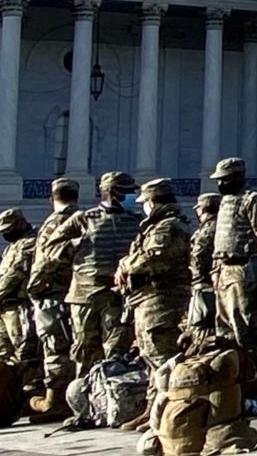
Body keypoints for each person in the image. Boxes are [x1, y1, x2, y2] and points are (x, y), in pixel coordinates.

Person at [205, 158, 257, 394]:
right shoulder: (226, 201)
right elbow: (219, 241)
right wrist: (215, 272)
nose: (221, 183)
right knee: (225, 331)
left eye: (225, 178)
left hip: (245, 270)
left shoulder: (251, 199)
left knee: (248, 330)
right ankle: (234, 383)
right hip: (225, 271)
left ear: (237, 176)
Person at [116, 177, 192, 379]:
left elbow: (153, 258)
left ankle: (171, 402)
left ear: (152, 202)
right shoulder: (155, 226)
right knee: (148, 353)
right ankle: (155, 401)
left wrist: (125, 265)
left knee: (160, 352)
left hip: (161, 297)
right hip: (148, 297)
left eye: (145, 203)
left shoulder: (168, 226)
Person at [25, 177, 85, 419]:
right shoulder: (83, 219)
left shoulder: (55, 223)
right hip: (75, 292)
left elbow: (45, 261)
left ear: (51, 199)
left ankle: (56, 400)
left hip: (53, 293)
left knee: (55, 348)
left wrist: (33, 288)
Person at [72, 173, 140, 373]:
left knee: (116, 351)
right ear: (113, 192)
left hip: (117, 296)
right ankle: (84, 396)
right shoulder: (84, 220)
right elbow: (52, 250)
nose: (131, 197)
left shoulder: (136, 221)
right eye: (127, 192)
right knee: (85, 350)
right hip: (85, 295)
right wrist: (77, 245)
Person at [0, 208, 39, 386]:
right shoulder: (12, 246)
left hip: (19, 307)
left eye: (8, 229)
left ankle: (29, 392)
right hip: (4, 308)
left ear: (21, 223)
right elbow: (2, 274)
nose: (6, 234)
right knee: (2, 354)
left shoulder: (30, 242)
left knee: (24, 354)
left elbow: (15, 274)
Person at [190, 193, 221, 337]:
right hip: (218, 280)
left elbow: (198, 256)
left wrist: (193, 276)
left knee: (202, 325)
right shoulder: (222, 226)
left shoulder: (207, 229)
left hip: (205, 284)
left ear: (201, 210)